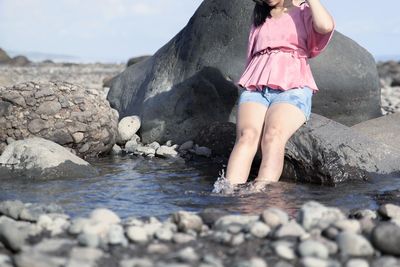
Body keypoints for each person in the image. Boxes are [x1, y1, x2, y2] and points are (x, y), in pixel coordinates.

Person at [224, 0, 335, 189]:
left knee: (273, 135)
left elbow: (325, 26)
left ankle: (261, 192)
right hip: (256, 87)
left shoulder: (303, 11)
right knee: (247, 136)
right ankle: (227, 194)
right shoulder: (260, 15)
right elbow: (251, 55)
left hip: (293, 87)